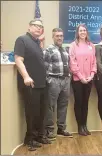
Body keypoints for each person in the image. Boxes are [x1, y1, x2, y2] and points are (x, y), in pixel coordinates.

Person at [14, 19, 51, 151]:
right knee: (32, 113)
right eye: (36, 25)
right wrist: (26, 76)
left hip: (42, 83)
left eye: (41, 26)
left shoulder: (37, 42)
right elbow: (18, 59)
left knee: (42, 112)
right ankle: (29, 139)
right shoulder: (22, 40)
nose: (38, 28)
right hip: (30, 83)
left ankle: (39, 136)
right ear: (29, 27)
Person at [43, 28, 73, 140]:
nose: (59, 38)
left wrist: (68, 78)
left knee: (63, 105)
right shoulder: (48, 50)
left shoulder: (65, 50)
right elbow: (44, 67)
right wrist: (48, 80)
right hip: (53, 80)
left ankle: (61, 129)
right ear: (53, 37)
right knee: (50, 106)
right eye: (57, 36)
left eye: (61, 35)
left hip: (66, 80)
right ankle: (49, 130)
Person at [69, 24, 97, 136]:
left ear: (87, 32)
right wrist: (81, 77)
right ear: (77, 32)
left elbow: (94, 61)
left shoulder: (91, 45)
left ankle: (85, 125)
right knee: (79, 102)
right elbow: (72, 63)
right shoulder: (73, 45)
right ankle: (80, 126)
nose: (82, 32)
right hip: (77, 80)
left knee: (85, 103)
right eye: (80, 30)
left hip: (89, 79)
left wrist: (91, 75)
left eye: (84, 30)